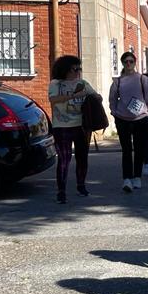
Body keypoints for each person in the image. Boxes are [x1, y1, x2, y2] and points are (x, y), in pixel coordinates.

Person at [48, 55, 97, 203]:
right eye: (75, 69)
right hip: (62, 126)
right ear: (65, 69)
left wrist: (94, 98)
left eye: (79, 68)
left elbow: (96, 96)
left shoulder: (83, 83)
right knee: (64, 159)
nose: (78, 72)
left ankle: (81, 185)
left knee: (82, 158)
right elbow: (53, 99)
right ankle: (61, 191)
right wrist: (73, 96)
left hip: (82, 126)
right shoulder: (56, 83)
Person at [108, 52, 148, 193]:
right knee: (126, 150)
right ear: (122, 63)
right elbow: (112, 99)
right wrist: (115, 112)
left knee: (139, 149)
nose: (128, 64)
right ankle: (126, 179)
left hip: (140, 119)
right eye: (126, 62)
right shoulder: (118, 81)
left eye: (131, 61)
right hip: (123, 119)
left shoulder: (143, 79)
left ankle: (137, 177)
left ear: (135, 62)